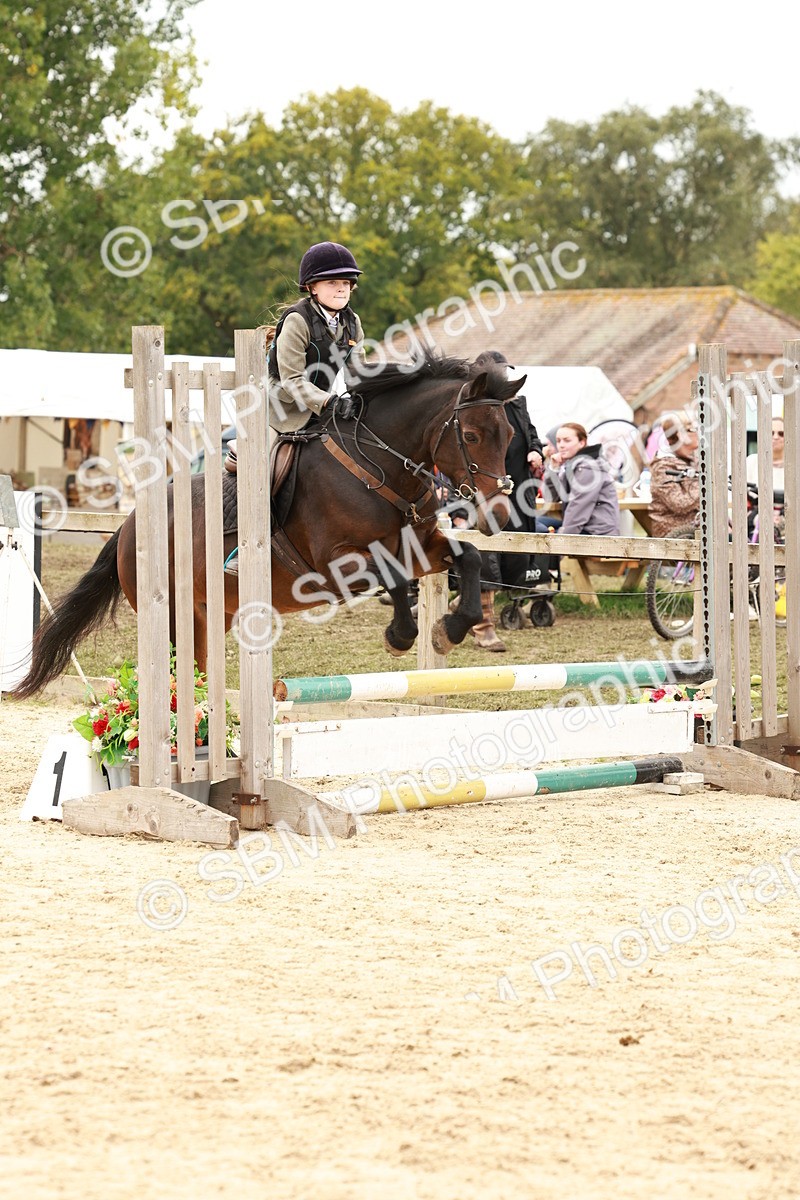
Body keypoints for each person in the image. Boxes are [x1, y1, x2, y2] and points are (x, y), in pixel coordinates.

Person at [459, 350, 546, 653]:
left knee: (514, 559)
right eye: (498, 372)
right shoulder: (473, 408)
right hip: (483, 491)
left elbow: (531, 435)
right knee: (486, 559)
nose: (504, 377)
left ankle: (463, 604)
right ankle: (484, 626)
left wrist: (536, 451)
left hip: (518, 491)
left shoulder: (518, 404)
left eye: (505, 371)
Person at [267, 241, 366, 434]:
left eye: (346, 283)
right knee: (262, 452)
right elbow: (292, 379)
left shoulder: (353, 322)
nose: (341, 289)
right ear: (313, 288)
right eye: (332, 282)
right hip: (281, 413)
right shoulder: (297, 320)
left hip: (322, 410)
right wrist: (330, 401)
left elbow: (358, 373)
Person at [543, 423, 621, 536]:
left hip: (597, 533)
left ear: (582, 443)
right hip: (583, 527)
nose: (561, 445)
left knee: (537, 530)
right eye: (558, 441)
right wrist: (554, 469)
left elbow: (578, 509)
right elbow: (551, 498)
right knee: (534, 524)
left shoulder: (588, 468)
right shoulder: (572, 465)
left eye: (567, 440)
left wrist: (562, 539)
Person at [647, 412, 700, 538]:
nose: (699, 433)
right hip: (674, 534)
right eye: (694, 429)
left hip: (696, 530)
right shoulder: (663, 467)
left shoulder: (694, 460)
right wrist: (707, 485)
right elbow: (679, 503)